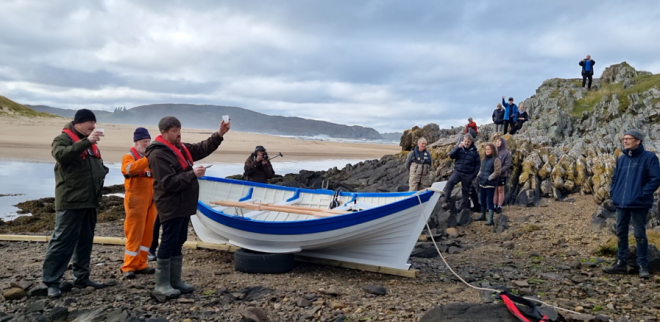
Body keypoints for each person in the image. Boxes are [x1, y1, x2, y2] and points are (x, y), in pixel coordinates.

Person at [146, 116, 230, 299]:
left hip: (184, 203)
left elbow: (201, 148)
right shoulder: (158, 154)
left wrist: (219, 134)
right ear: (164, 133)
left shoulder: (180, 148)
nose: (179, 134)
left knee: (180, 239)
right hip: (171, 204)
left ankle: (175, 281)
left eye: (179, 129)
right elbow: (167, 183)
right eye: (174, 131)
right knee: (168, 241)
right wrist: (192, 174)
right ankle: (161, 285)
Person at [42, 109, 110, 298]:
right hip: (71, 200)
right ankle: (51, 282)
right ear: (78, 123)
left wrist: (102, 171)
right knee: (62, 241)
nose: (93, 126)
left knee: (85, 241)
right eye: (90, 122)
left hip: (90, 200)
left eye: (95, 123)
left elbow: (93, 165)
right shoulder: (62, 139)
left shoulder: (90, 143)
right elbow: (61, 155)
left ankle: (82, 277)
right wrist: (86, 141)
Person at [603, 130, 660, 279]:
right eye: (624, 138)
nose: (625, 141)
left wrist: (641, 194)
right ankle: (621, 262)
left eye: (629, 139)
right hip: (621, 203)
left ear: (638, 141)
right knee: (621, 233)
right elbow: (615, 179)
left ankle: (643, 266)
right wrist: (614, 194)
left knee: (640, 235)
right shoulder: (622, 159)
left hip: (639, 204)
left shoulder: (649, 157)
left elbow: (655, 179)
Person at [120, 127, 157, 279]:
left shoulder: (151, 159)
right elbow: (128, 170)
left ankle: (141, 264)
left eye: (149, 141)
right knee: (134, 233)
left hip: (151, 201)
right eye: (144, 141)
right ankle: (128, 266)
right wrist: (148, 159)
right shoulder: (129, 157)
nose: (147, 144)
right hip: (136, 201)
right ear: (136, 142)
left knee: (148, 233)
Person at [441, 135, 481, 211]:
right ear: (463, 140)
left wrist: (473, 175)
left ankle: (465, 208)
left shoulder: (474, 151)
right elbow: (451, 156)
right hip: (458, 171)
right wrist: (458, 148)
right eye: (465, 141)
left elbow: (478, 164)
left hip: (468, 174)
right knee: (450, 182)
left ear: (471, 142)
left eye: (468, 141)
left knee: (465, 190)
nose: (467, 143)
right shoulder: (459, 148)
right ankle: (445, 200)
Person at [474, 143, 501, 225]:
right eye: (486, 149)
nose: (487, 151)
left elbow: (497, 171)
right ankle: (483, 215)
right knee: (482, 199)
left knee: (490, 200)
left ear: (492, 150)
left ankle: (491, 218)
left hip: (490, 184)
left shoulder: (496, 159)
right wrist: (479, 175)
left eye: (489, 149)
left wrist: (490, 178)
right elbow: (481, 169)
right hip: (482, 183)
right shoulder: (484, 160)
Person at [493, 137, 511, 214]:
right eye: (496, 141)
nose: (497, 143)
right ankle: (494, 205)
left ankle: (499, 206)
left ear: (502, 143)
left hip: (502, 175)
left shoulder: (506, 153)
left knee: (501, 190)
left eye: (499, 141)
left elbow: (507, 165)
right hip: (494, 174)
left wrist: (499, 171)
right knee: (494, 190)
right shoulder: (494, 152)